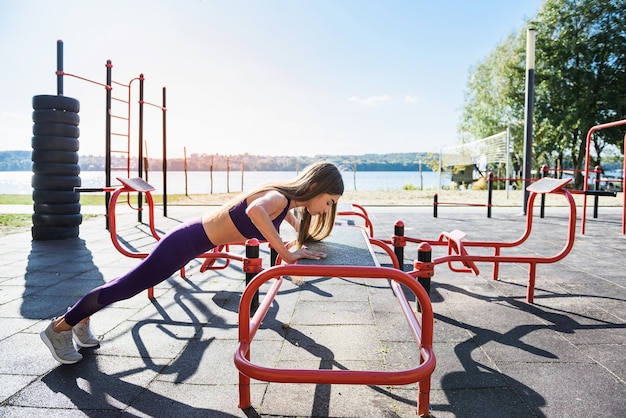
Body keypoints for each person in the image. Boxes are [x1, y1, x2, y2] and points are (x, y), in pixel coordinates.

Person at [40, 161, 344, 364]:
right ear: (317, 188)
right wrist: (287, 254)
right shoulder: (278, 197)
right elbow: (255, 212)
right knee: (128, 286)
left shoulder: (286, 202)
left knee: (128, 285)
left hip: (192, 239)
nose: (326, 209)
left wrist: (294, 242)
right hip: (186, 240)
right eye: (329, 202)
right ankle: (59, 327)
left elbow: (280, 222)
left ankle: (78, 319)